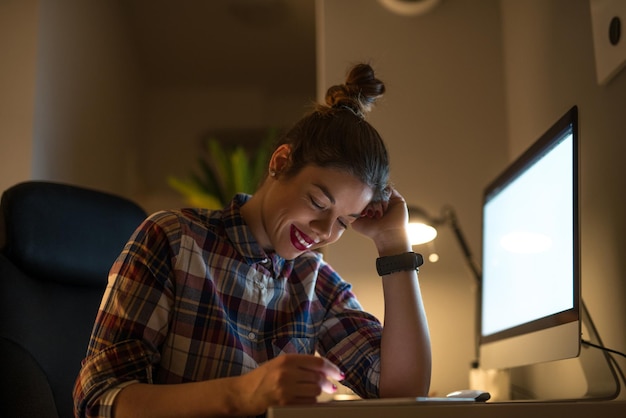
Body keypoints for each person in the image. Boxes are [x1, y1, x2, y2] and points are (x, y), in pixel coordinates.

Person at [73, 63, 431, 418]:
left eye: (343, 222)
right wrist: (243, 394)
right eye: (318, 202)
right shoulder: (174, 240)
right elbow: (99, 400)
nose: (324, 231)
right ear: (280, 162)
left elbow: (401, 391)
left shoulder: (314, 281)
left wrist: (393, 244)